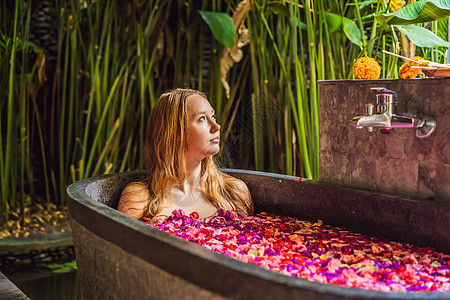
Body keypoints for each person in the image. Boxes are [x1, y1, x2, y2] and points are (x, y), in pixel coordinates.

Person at [118, 88, 253, 223]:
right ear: (175, 134)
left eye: (213, 116)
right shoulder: (139, 198)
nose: (216, 126)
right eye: (201, 119)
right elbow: (121, 243)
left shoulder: (234, 192)